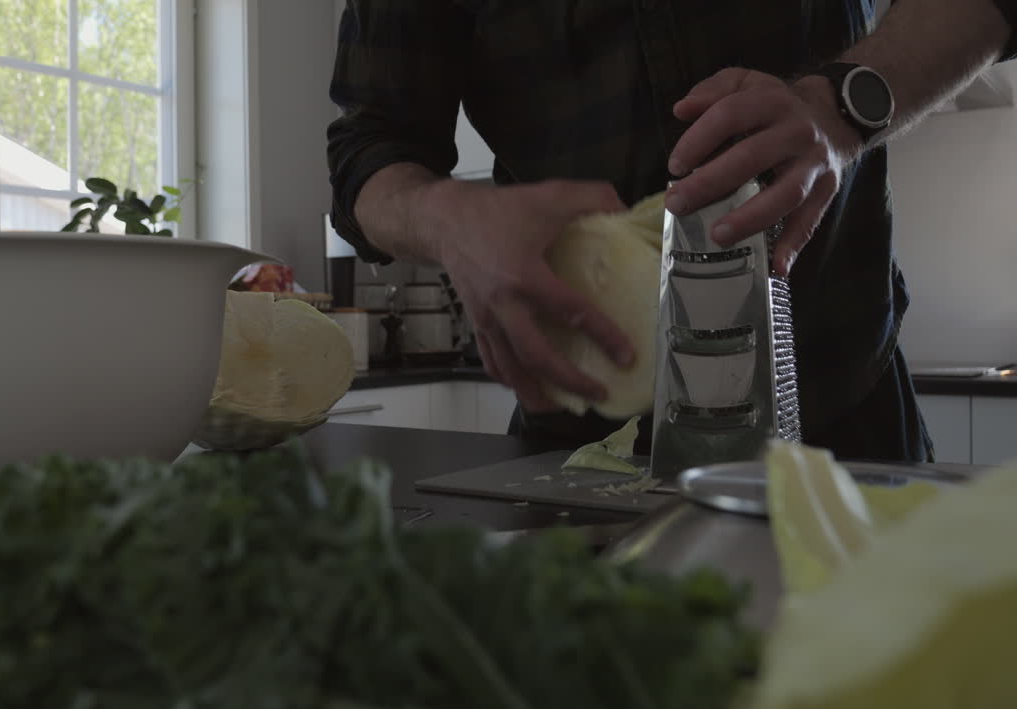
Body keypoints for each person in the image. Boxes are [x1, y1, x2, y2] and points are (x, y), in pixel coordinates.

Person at [325, 0, 1016, 462]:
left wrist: (843, 104)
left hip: (845, 412)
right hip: (574, 447)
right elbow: (368, 152)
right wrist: (447, 221)